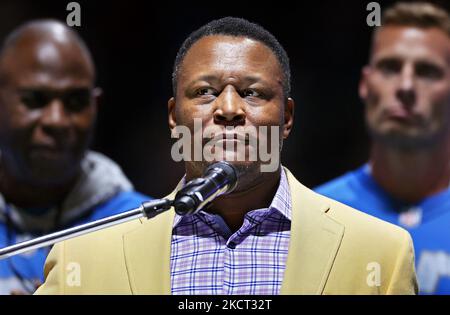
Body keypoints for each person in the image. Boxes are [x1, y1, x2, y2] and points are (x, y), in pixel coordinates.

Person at [36, 17, 417, 295]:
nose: (229, 108)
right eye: (204, 92)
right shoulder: (81, 258)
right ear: (173, 117)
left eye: (253, 93)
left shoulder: (380, 253)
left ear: (287, 119)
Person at [0, 20, 149, 294]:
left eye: (75, 101)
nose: (56, 121)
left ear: (96, 107)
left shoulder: (143, 224)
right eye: (35, 99)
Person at [315, 2, 450, 294]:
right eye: (390, 67)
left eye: (427, 71)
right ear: (365, 84)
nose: (405, 86)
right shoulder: (313, 216)